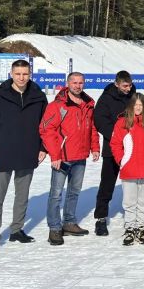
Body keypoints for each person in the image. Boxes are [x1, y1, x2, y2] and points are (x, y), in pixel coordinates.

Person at [0, 59, 48, 255]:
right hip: (2, 155)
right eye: (18, 74)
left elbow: (46, 127)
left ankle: (17, 229)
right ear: (11, 74)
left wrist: (43, 147)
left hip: (28, 153)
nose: (21, 78)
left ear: (30, 74)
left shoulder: (39, 97)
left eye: (25, 74)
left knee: (22, 195)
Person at [39, 72, 100, 245]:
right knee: (56, 194)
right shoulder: (58, 105)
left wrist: (95, 147)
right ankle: (55, 228)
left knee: (74, 192)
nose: (78, 86)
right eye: (74, 82)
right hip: (63, 157)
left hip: (80, 156)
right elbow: (46, 130)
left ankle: (69, 223)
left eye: (81, 83)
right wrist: (55, 154)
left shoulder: (88, 104)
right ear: (68, 83)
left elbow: (92, 128)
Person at [110, 93, 144, 246]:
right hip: (129, 168)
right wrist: (122, 159)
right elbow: (115, 144)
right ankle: (130, 228)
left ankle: (141, 227)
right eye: (135, 105)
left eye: (141, 105)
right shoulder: (122, 123)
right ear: (131, 106)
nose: (138, 108)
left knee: (143, 201)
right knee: (129, 201)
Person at [93, 70, 136, 236]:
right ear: (117, 84)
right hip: (112, 148)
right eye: (125, 86)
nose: (128, 88)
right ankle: (101, 218)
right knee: (107, 184)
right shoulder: (106, 98)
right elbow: (99, 120)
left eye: (130, 85)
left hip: (132, 148)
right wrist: (117, 136)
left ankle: (135, 217)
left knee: (134, 183)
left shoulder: (134, 96)